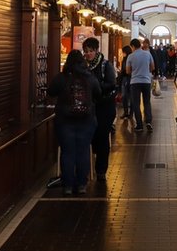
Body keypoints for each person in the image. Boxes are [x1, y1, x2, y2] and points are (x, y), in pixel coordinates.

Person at [47, 49, 100, 195]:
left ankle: (68, 186)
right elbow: (98, 93)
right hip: (86, 121)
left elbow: (50, 91)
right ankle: (82, 184)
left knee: (68, 152)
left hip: (65, 121)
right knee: (83, 151)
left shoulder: (62, 77)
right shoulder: (89, 77)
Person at [83, 37, 117, 182]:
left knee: (102, 137)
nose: (88, 54)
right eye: (86, 51)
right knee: (89, 137)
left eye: (90, 51)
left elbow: (112, 84)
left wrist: (94, 85)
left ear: (97, 51)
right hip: (89, 107)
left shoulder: (105, 65)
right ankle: (86, 168)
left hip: (105, 107)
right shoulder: (83, 66)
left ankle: (101, 170)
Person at [125, 38, 155, 132]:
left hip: (135, 82)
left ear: (133, 46)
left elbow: (128, 71)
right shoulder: (148, 54)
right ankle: (148, 121)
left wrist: (135, 72)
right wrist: (146, 71)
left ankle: (139, 125)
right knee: (147, 102)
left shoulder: (130, 56)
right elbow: (152, 67)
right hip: (146, 81)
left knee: (136, 104)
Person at [117, 44, 133, 119]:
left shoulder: (127, 59)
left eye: (123, 52)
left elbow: (126, 70)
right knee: (129, 96)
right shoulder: (128, 58)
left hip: (126, 78)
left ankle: (127, 112)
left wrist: (122, 72)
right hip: (129, 79)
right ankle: (130, 113)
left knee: (125, 96)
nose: (122, 53)